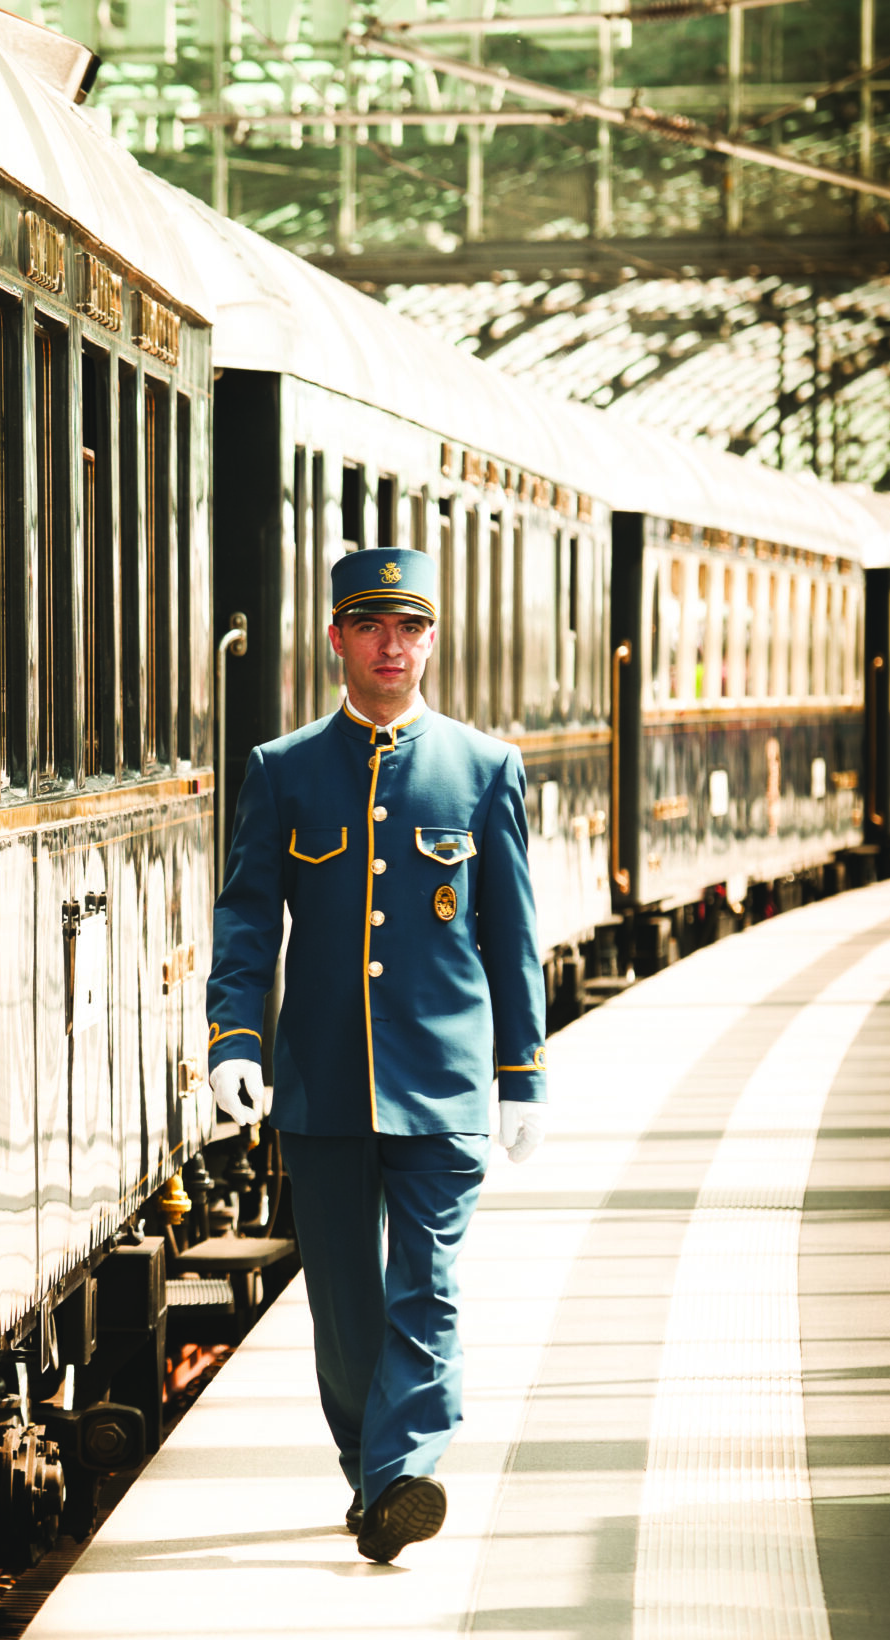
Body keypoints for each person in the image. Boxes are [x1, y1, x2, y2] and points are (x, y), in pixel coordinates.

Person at [205, 544, 550, 1565]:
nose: (391, 646)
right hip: (320, 1082)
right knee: (346, 1304)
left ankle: (402, 1474)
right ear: (336, 640)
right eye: (370, 626)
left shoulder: (485, 769)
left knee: (425, 1285)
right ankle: (372, 1472)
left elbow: (511, 936)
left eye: (408, 628)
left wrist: (520, 1074)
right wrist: (233, 1039)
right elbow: (244, 923)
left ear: (431, 640)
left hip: (441, 1086)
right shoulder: (283, 770)